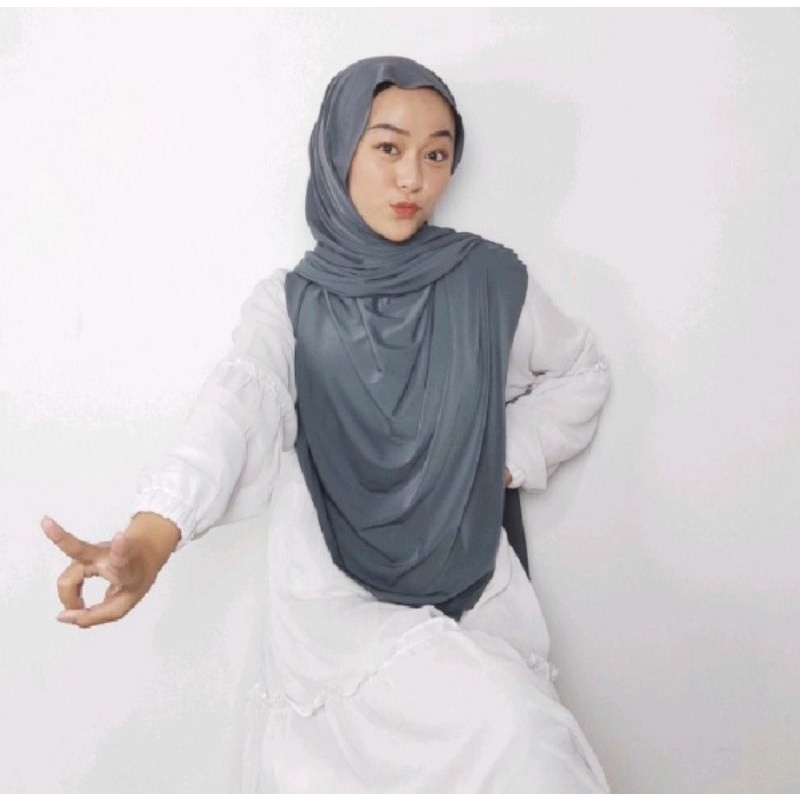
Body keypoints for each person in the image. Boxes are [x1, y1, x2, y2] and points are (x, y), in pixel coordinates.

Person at [42, 56, 612, 792]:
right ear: (339, 148)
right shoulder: (290, 303)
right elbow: (237, 405)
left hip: (471, 581)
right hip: (334, 605)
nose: (412, 178)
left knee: (522, 739)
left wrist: (497, 458)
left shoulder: (489, 283)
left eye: (436, 155)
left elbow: (580, 372)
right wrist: (151, 539)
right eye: (388, 147)